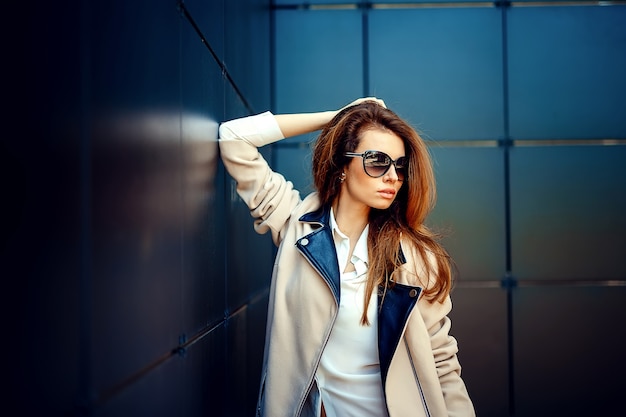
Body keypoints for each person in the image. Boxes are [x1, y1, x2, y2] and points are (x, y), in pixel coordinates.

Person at [218, 98, 475, 417]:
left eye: (399, 165)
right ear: (342, 165)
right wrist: (338, 118)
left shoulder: (417, 260)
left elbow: (444, 366)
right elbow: (234, 138)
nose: (392, 176)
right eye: (377, 161)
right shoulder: (295, 226)